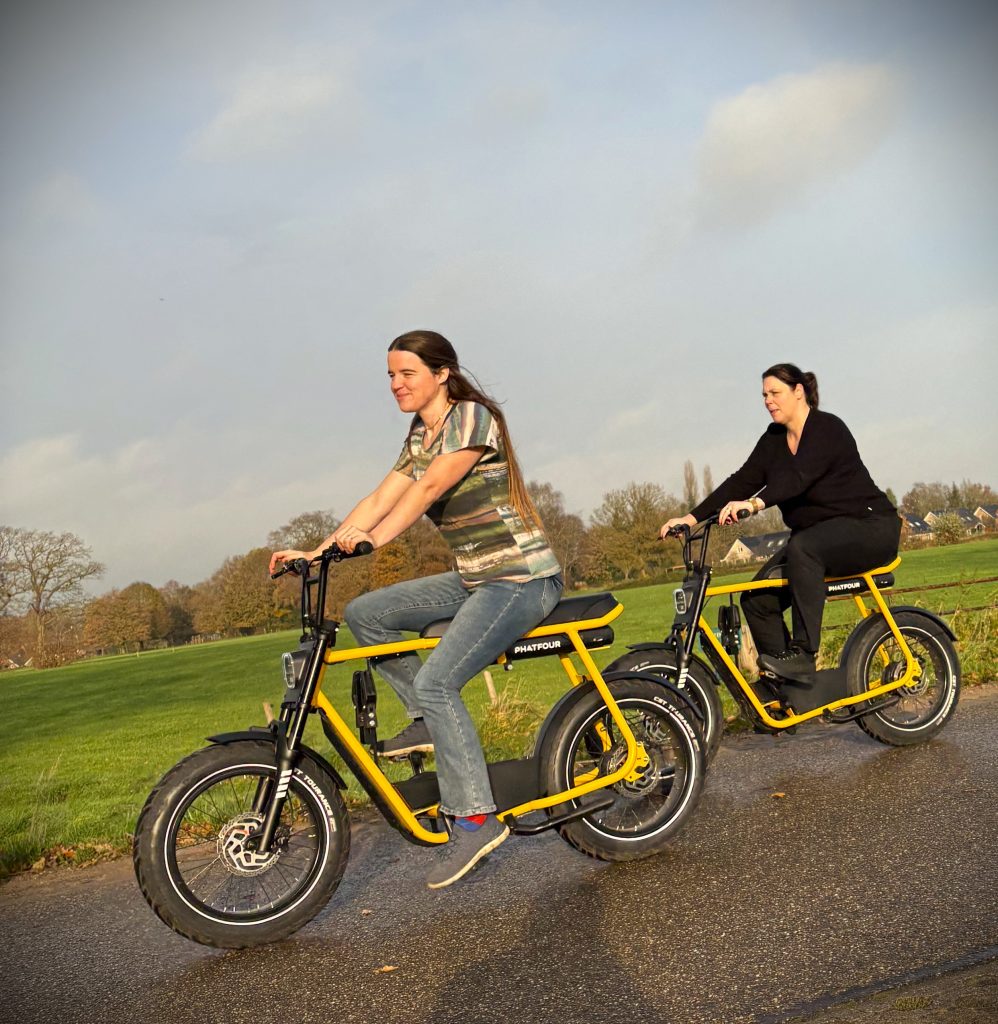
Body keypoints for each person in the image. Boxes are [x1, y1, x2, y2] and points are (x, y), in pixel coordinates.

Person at [269, 330, 563, 889]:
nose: (395, 384)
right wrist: (321, 549)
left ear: (441, 373)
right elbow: (381, 496)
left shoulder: (472, 419)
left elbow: (426, 491)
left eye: (406, 373)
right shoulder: (419, 433)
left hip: (520, 578)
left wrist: (372, 544)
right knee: (367, 614)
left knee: (437, 681)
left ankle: (475, 818)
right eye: (389, 375)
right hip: (474, 577)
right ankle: (427, 722)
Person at [659, 363, 900, 684]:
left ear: (798, 392)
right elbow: (741, 481)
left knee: (804, 547)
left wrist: (754, 504)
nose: (768, 400)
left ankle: (803, 654)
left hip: (870, 528)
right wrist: (690, 519)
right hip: (819, 539)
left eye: (775, 393)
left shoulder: (828, 429)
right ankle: (790, 691)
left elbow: (799, 477)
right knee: (757, 599)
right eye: (764, 395)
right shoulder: (774, 440)